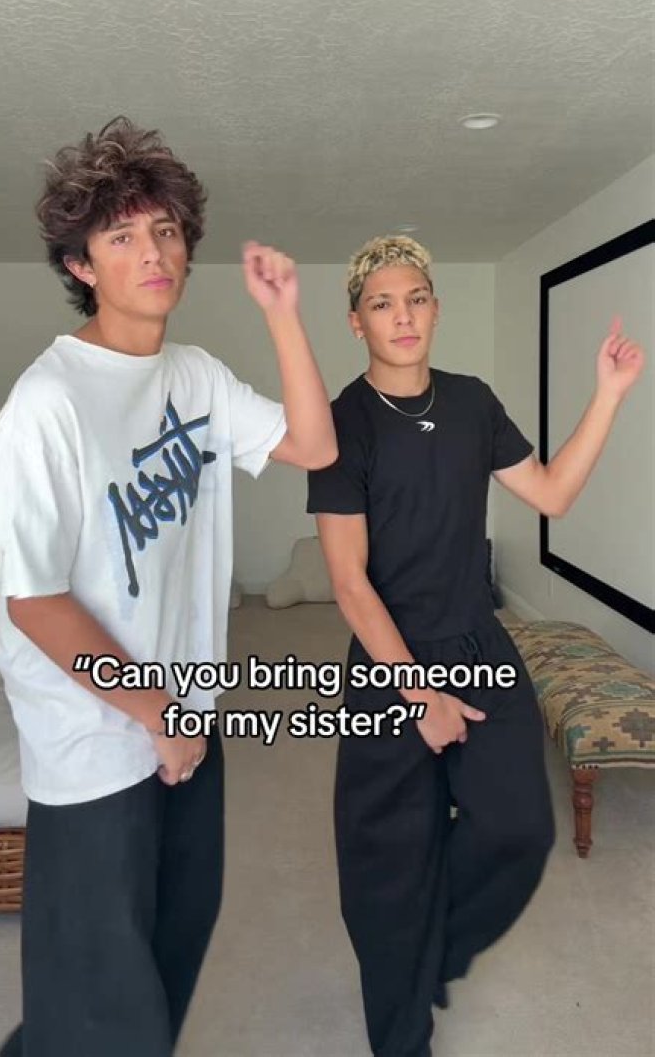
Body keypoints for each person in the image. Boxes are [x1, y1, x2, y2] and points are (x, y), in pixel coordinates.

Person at [0, 116, 337, 1057]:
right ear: (81, 263)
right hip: (95, 737)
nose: (153, 251)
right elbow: (35, 601)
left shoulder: (196, 377)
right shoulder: (45, 408)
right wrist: (157, 712)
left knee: (174, 942)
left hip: (185, 713)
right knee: (100, 999)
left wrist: (283, 314)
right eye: (123, 234)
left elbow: (313, 444)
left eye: (167, 230)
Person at [306, 234, 645, 1057]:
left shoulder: (472, 402)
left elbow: (552, 493)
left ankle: (434, 955)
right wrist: (417, 692)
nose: (403, 316)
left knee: (520, 827)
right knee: (387, 862)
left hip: (478, 644)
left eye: (416, 298)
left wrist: (608, 394)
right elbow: (349, 580)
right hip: (390, 658)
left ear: (435, 308)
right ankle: (401, 1032)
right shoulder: (341, 424)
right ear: (356, 322)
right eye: (382, 303)